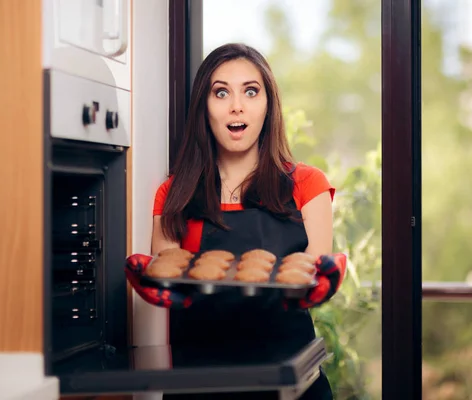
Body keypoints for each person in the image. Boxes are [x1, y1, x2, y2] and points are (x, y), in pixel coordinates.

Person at [126, 43, 346, 399]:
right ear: (204, 107)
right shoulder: (175, 194)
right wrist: (158, 286)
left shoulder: (308, 185)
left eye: (251, 91)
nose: (236, 105)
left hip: (291, 385)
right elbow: (170, 272)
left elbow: (314, 275)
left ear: (268, 106)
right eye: (221, 92)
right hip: (199, 387)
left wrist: (322, 281)